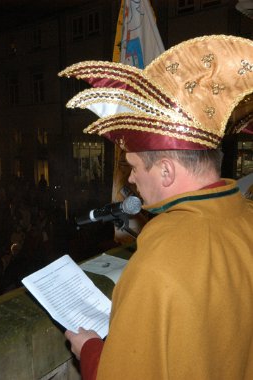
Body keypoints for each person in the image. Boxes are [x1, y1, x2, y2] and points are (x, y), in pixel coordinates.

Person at [59, 35, 253, 379]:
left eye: (133, 167)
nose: (131, 180)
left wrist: (88, 349)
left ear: (165, 170)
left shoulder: (158, 261)